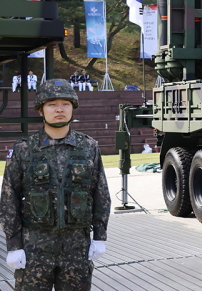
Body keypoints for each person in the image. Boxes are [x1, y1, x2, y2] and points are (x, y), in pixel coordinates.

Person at [0, 79, 111, 290]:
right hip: (34, 248)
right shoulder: (24, 149)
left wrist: (99, 236)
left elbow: (100, 194)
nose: (59, 109)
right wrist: (13, 245)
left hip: (76, 248)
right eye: (52, 104)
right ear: (41, 110)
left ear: (73, 108)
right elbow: (8, 199)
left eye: (66, 104)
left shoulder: (89, 147)